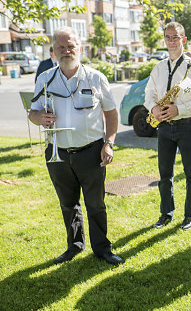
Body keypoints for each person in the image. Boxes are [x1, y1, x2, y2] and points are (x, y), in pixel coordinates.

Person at [28, 27, 123, 266]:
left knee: (96, 204)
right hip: (57, 152)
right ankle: (75, 246)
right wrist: (39, 118)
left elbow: (111, 114)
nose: (66, 50)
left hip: (91, 151)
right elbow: (33, 111)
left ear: (79, 48)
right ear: (53, 51)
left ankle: (102, 249)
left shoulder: (95, 77)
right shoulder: (44, 78)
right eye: (61, 47)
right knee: (68, 204)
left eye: (70, 46)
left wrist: (109, 144)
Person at [144, 22, 191, 231]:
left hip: (187, 126)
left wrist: (178, 109)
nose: (171, 41)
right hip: (163, 127)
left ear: (184, 39)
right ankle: (166, 214)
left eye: (175, 37)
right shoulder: (159, 67)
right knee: (165, 174)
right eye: (168, 37)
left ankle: (190, 215)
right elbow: (149, 94)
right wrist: (154, 108)